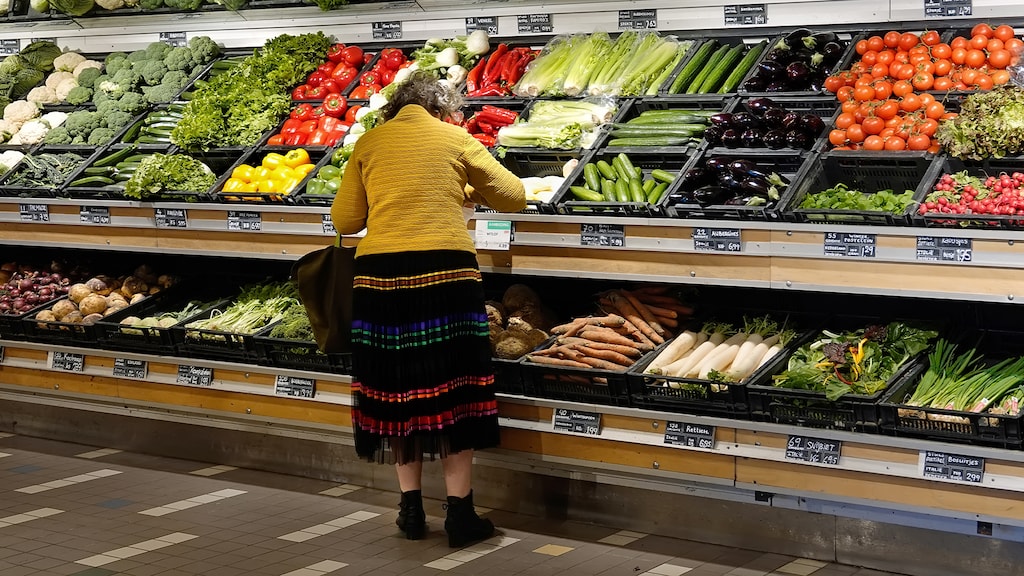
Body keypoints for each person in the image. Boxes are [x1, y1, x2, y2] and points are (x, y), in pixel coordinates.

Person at [329, 71, 526, 548]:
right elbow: (514, 196)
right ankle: (460, 514)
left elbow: (346, 220)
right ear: (441, 110)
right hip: (445, 277)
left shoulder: (369, 144)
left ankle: (410, 510)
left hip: (379, 280)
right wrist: (465, 189)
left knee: (399, 389)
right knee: (453, 390)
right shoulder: (455, 138)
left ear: (396, 108)